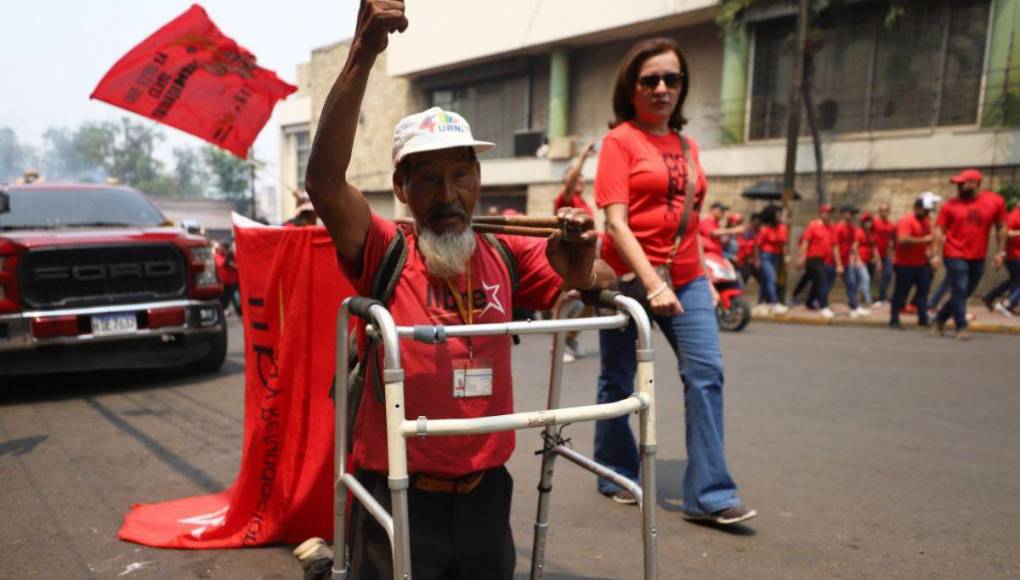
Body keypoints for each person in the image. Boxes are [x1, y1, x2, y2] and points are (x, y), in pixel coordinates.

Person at [302, 3, 616, 578]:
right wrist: (363, 53)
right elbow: (323, 181)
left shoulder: (507, 252)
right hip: (396, 489)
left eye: (461, 175)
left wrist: (583, 266)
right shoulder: (383, 249)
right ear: (401, 187)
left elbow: (599, 283)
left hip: (485, 495)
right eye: (427, 179)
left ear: (479, 179)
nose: (448, 195)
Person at [593, 37, 755, 525]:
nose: (662, 88)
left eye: (672, 79)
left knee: (706, 373)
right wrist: (652, 284)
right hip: (626, 277)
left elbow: (691, 219)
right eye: (650, 80)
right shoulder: (620, 141)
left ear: (682, 87)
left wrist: (695, 272)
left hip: (685, 276)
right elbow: (617, 224)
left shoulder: (689, 146)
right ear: (632, 87)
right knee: (619, 378)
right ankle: (615, 469)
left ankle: (709, 494)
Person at [932, 169, 1007, 340]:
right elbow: (939, 229)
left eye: (961, 183)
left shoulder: (994, 201)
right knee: (959, 287)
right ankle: (961, 326)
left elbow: (1001, 226)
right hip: (954, 253)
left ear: (975, 183)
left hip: (978, 255)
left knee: (965, 291)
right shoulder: (950, 205)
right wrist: (935, 254)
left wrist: (1001, 252)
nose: (958, 186)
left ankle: (940, 318)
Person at [552, 139, 598, 362]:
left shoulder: (584, 201)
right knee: (563, 303)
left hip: (586, 259)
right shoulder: (565, 198)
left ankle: (569, 338)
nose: (581, 179)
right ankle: (559, 346)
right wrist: (583, 156)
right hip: (567, 259)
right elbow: (570, 180)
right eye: (576, 177)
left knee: (592, 302)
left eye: (582, 177)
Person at [889, 195, 937, 329]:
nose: (927, 214)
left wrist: (930, 255)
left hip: (920, 264)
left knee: (923, 291)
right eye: (925, 211)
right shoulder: (907, 221)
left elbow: (929, 239)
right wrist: (923, 241)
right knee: (901, 292)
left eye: (928, 211)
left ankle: (922, 318)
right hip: (904, 264)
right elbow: (902, 239)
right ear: (917, 208)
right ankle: (894, 319)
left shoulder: (926, 221)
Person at [798, 203, 840, 318]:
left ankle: (810, 302)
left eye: (831, 213)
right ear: (822, 213)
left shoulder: (832, 227)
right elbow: (805, 242)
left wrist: (839, 264)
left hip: (825, 260)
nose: (829, 215)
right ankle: (824, 306)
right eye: (827, 212)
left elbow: (835, 246)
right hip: (813, 258)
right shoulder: (813, 225)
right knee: (822, 280)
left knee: (817, 283)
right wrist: (802, 258)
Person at [981, 195, 1020, 317]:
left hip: (1016, 254)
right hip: (1014, 255)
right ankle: (1008, 304)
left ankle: (991, 297)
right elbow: (1006, 233)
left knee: (1014, 280)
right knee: (1017, 281)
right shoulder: (1014, 216)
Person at [834, 205, 871, 317]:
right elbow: (835, 246)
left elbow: (851, 246)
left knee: (852, 283)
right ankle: (822, 305)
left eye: (854, 214)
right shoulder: (839, 228)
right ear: (844, 213)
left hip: (847, 261)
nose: (853, 216)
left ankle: (854, 306)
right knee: (827, 282)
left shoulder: (852, 228)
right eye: (851, 213)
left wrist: (853, 259)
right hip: (836, 260)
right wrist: (839, 264)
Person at [753, 205, 789, 314]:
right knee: (771, 278)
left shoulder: (782, 228)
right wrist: (757, 259)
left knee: (765, 281)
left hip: (776, 257)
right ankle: (775, 303)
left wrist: (786, 259)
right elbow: (757, 246)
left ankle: (760, 302)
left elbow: (783, 245)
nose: (779, 216)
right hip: (765, 256)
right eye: (777, 214)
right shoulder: (765, 229)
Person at [871, 202, 896, 306]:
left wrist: (892, 254)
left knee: (888, 274)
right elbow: (871, 240)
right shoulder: (874, 223)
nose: (883, 213)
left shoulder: (891, 225)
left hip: (886, 254)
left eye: (885, 210)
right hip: (873, 253)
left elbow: (892, 240)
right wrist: (876, 258)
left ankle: (882, 296)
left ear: (889, 212)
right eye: (881, 210)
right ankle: (871, 297)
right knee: (872, 276)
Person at [856, 213, 877, 307]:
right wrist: (858, 259)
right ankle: (868, 301)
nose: (868, 223)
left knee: (863, 281)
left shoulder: (871, 233)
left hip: (868, 261)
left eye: (870, 221)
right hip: (860, 261)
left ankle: (859, 301)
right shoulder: (859, 232)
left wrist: (875, 258)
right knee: (865, 278)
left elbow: (873, 247)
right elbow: (854, 247)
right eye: (866, 221)